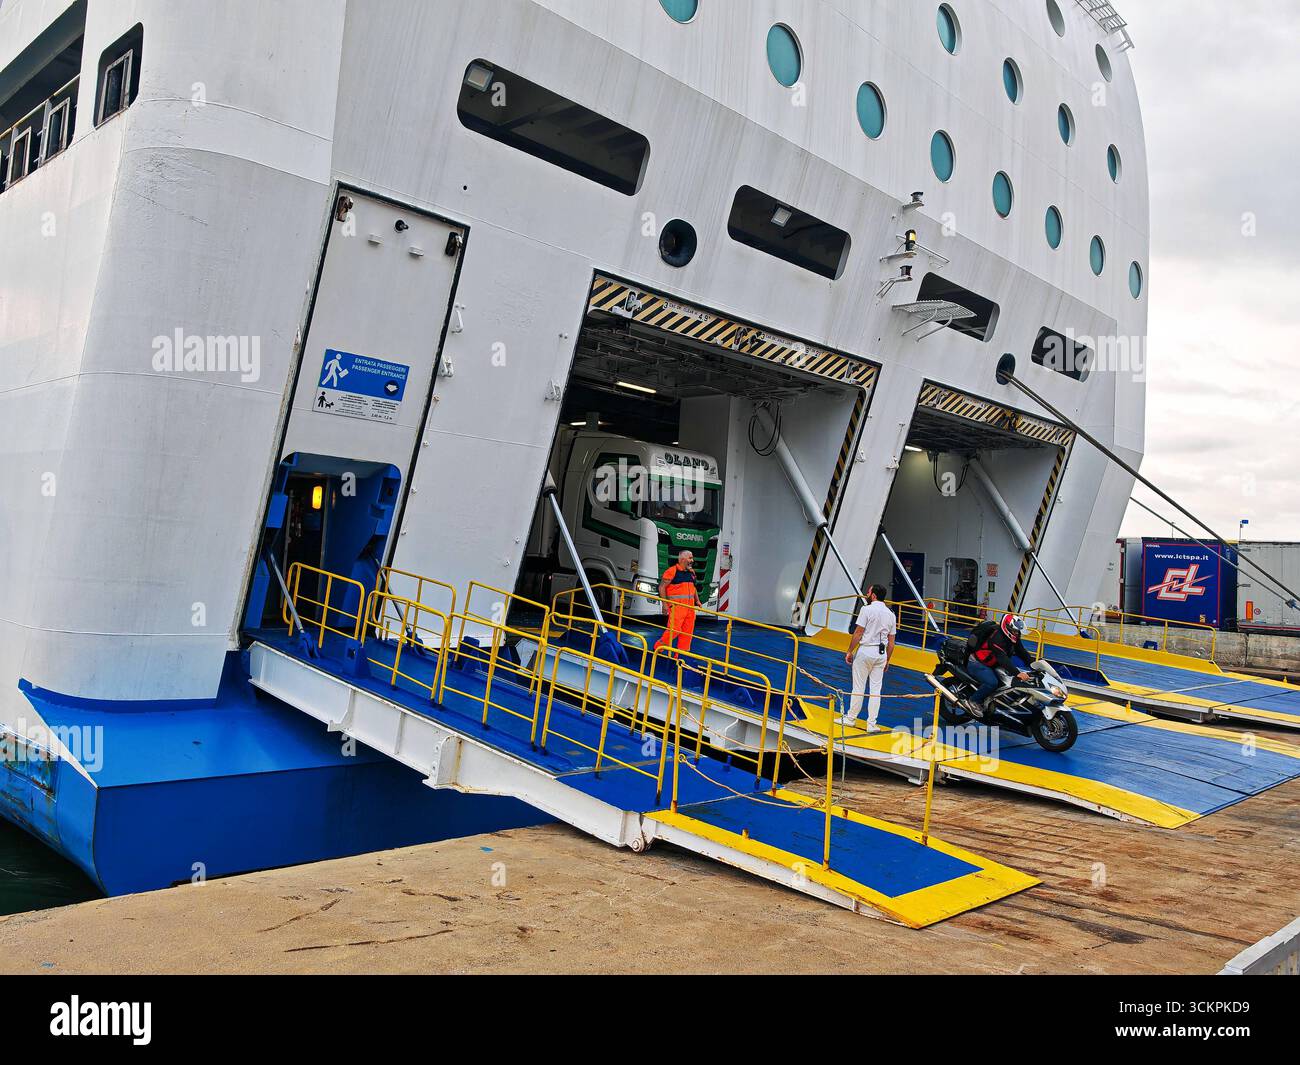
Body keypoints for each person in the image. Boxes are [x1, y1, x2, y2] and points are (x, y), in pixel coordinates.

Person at [840, 585, 897, 731]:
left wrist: (849, 651)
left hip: (866, 651)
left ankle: (851, 718)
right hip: (881, 654)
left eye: (869, 591)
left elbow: (858, 632)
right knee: (876, 690)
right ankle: (872, 724)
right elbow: (891, 642)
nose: (867, 593)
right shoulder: (891, 614)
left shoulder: (866, 609)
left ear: (873, 595)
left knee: (858, 687)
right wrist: (887, 660)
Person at [966, 614, 1033, 714]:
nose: (1017, 634)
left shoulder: (1013, 637)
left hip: (993, 664)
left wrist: (1034, 664)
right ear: (1007, 628)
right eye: (1015, 631)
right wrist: (1017, 673)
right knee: (992, 683)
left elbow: (1021, 652)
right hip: (978, 662)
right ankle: (973, 701)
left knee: (1007, 684)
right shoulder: (996, 638)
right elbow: (1002, 658)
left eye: (1018, 631)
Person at [654, 551, 700, 655]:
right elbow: (662, 587)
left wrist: (697, 600)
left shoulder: (691, 572)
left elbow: (693, 587)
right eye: (690, 558)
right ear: (682, 559)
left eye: (692, 558)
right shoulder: (672, 571)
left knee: (687, 633)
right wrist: (665, 604)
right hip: (677, 607)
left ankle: (680, 656)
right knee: (674, 630)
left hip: (690, 609)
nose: (692, 561)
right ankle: (658, 648)